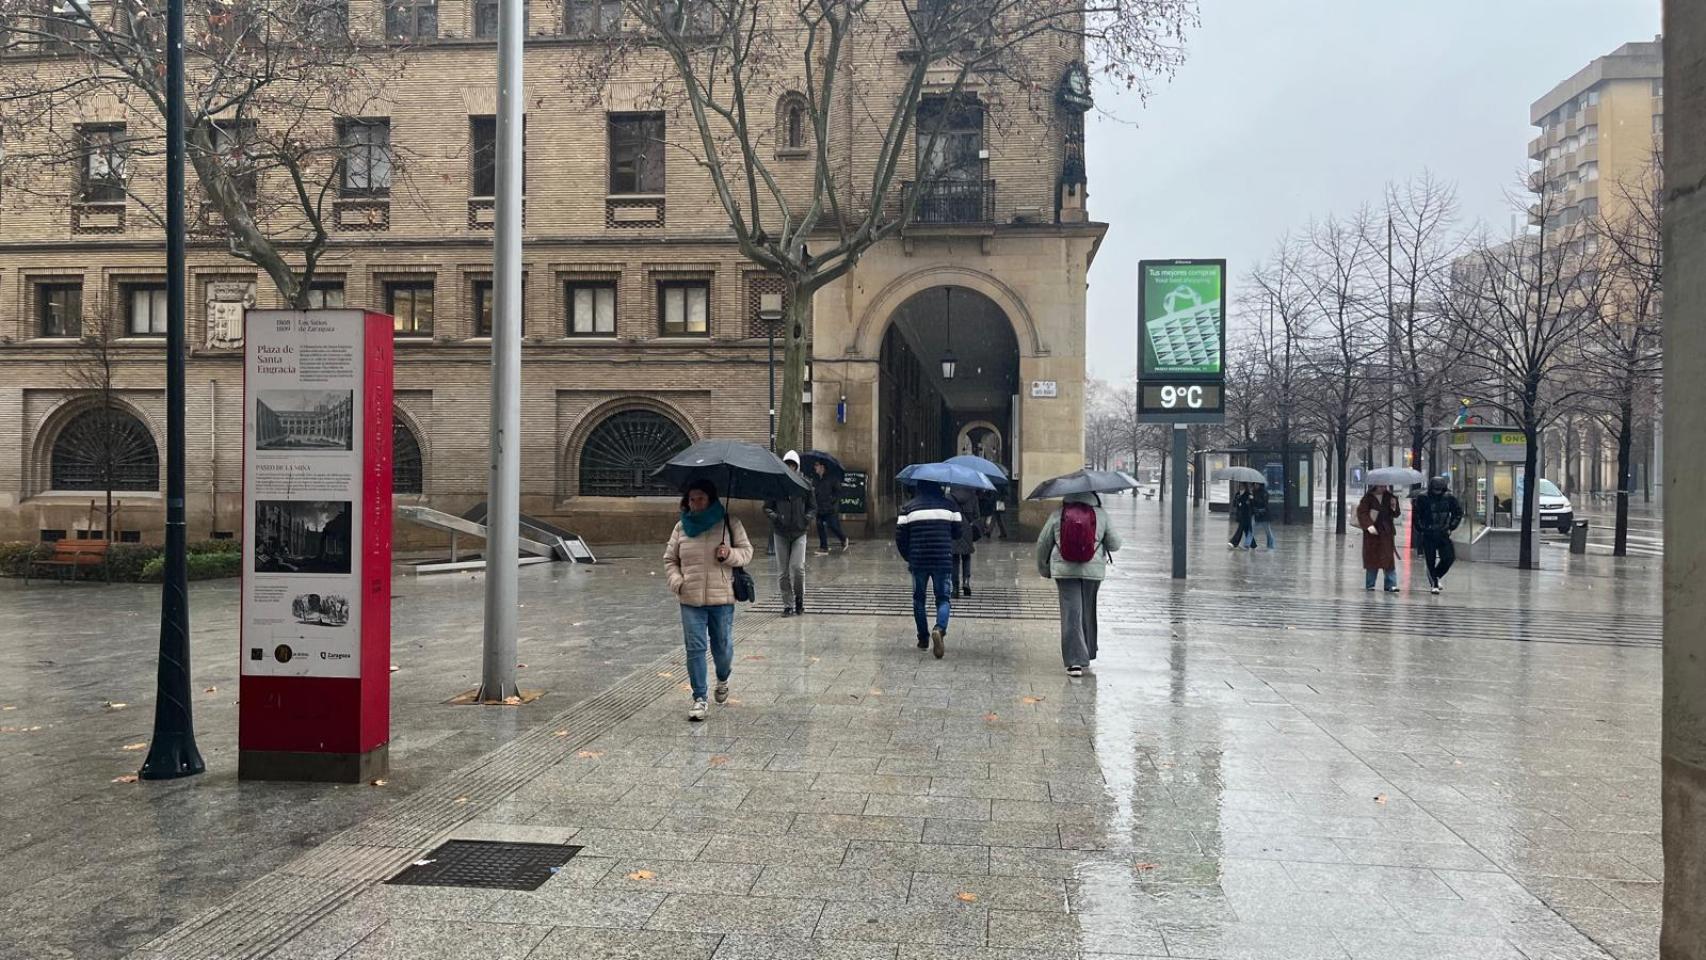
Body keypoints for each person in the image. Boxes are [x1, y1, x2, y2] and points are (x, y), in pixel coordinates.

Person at [664, 478, 754, 721]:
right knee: (695, 648)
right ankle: (699, 698)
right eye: (692, 499)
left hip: (721, 598)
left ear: (711, 499)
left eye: (701, 499)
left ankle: (722, 678)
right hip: (690, 599)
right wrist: (677, 582)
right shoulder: (681, 528)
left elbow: (747, 552)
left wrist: (729, 554)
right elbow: (670, 560)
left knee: (722, 647)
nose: (696, 504)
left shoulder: (729, 522)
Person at [1035, 492, 1122, 677]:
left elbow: (1043, 543)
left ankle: (1075, 662)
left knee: (1071, 613)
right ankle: (1088, 653)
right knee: (1087, 610)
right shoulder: (1100, 514)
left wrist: (1044, 568)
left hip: (1065, 571)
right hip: (1093, 572)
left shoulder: (1058, 514)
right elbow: (1115, 544)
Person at [895, 482, 962, 659]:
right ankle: (939, 629)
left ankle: (923, 638)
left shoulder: (908, 508)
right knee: (943, 599)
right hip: (942, 559)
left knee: (919, 599)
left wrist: (908, 555)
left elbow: (900, 536)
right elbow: (958, 532)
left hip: (918, 559)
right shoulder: (950, 506)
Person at [763, 451, 812, 616]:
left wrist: (805, 519)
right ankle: (787, 604)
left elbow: (813, 507)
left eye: (793, 465)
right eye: (788, 465)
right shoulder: (776, 485)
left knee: (798, 568)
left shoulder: (805, 484)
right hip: (781, 532)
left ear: (797, 467)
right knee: (783, 572)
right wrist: (776, 517)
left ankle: (799, 598)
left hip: (799, 532)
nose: (791, 468)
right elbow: (767, 506)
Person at [1414, 476, 1464, 594]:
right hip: (1428, 533)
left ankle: (1435, 576)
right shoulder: (1422, 498)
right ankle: (1434, 583)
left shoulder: (1449, 498)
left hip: (1443, 532)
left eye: (1439, 489)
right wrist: (1421, 528)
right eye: (1435, 489)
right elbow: (1416, 515)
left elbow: (1458, 512)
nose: (1437, 492)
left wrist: (1452, 526)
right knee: (1430, 559)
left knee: (1449, 558)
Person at [1355, 483, 1402, 592]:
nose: (1383, 489)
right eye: (1381, 486)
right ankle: (1370, 584)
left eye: (1385, 486)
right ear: (1375, 486)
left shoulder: (1390, 497)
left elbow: (1396, 514)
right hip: (1373, 533)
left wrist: (1394, 507)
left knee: (1388, 559)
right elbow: (1362, 513)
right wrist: (1368, 525)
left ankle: (1391, 584)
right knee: (1372, 559)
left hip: (1386, 532)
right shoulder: (1367, 498)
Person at [811, 460, 848, 555]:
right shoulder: (815, 479)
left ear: (822, 467)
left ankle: (843, 539)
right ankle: (823, 547)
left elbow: (839, 492)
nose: (815, 467)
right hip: (819, 506)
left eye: (817, 465)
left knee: (833, 525)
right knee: (819, 525)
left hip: (830, 507)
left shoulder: (832, 478)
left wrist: (832, 500)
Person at [950, 484, 981, 597]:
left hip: (954, 528)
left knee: (954, 558)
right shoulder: (973, 497)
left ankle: (955, 587)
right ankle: (966, 581)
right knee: (966, 557)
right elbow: (977, 515)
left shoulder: (950, 497)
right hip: (967, 529)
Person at [1248, 484, 1276, 550]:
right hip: (1257, 515)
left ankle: (1271, 546)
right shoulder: (1253, 492)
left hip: (1264, 515)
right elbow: (1252, 504)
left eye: (1257, 484)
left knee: (1268, 531)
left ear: (1260, 485)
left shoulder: (1265, 493)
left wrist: (1254, 499)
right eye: (1254, 484)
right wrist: (1251, 498)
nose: (1255, 485)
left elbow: (1264, 503)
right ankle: (1247, 544)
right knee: (1251, 530)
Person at [1228, 484, 1254, 550]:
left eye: (1242, 486)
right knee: (1247, 530)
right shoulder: (1238, 494)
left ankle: (1233, 543)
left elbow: (1251, 504)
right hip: (1240, 514)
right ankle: (1253, 544)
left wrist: (1250, 500)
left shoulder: (1248, 494)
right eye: (1240, 486)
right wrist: (1237, 501)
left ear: (1245, 487)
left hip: (1247, 515)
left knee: (1240, 529)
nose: (1241, 487)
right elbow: (1234, 504)